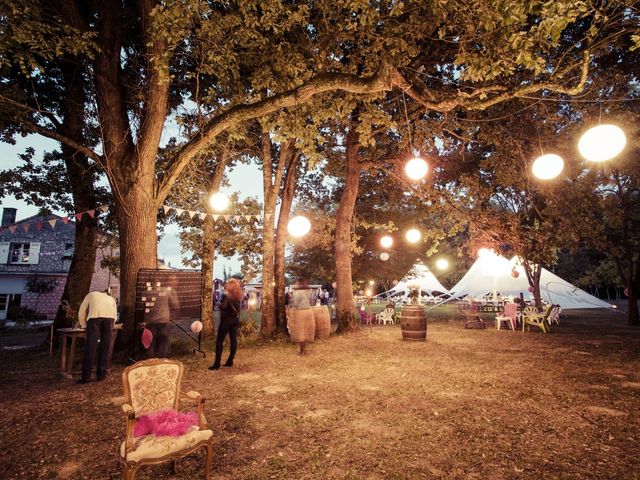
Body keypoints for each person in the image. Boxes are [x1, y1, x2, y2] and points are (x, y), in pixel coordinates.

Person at [76, 290, 117, 384]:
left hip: (95, 318)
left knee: (91, 347)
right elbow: (115, 314)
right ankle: (101, 375)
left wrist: (83, 325)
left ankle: (86, 377)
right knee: (105, 347)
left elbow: (82, 310)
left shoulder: (90, 295)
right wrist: (112, 325)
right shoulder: (111, 298)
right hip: (109, 319)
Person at [209, 278, 243, 370]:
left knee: (220, 341)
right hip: (235, 319)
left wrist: (219, 303)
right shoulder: (238, 295)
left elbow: (223, 306)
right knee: (233, 340)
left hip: (226, 320)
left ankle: (217, 363)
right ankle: (230, 360)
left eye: (228, 284)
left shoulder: (226, 295)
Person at [146, 282, 179, 358]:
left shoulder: (146, 292)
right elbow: (175, 305)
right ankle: (162, 360)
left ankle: (149, 361)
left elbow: (142, 305)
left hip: (150, 321)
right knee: (164, 341)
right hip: (164, 320)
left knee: (150, 342)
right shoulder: (166, 291)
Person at [288, 278, 315, 355]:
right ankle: (304, 350)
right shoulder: (309, 291)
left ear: (299, 284)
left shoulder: (297, 292)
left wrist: (290, 306)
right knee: (306, 331)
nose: (295, 284)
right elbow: (312, 301)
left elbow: (295, 304)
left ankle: (302, 351)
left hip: (300, 312)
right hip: (309, 312)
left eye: (296, 283)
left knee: (301, 332)